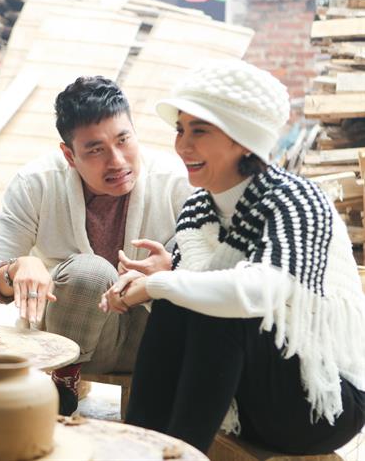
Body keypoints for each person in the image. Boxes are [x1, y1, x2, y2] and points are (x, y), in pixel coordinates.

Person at [100, 60, 365, 454]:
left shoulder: (295, 200)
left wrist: (158, 284)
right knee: (183, 301)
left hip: (320, 401)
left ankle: (178, 454)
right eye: (180, 130)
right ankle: (142, 446)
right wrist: (154, 284)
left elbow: (258, 294)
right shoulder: (198, 209)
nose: (183, 146)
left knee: (215, 306)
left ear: (243, 139)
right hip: (246, 395)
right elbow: (184, 311)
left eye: (200, 130)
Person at [0, 75, 193, 415]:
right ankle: (63, 385)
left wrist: (172, 270)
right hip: (67, 342)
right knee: (90, 272)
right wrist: (16, 268)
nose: (117, 161)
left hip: (152, 341)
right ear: (69, 155)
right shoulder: (36, 184)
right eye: (95, 149)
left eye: (123, 140)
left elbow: (217, 272)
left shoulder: (177, 183)